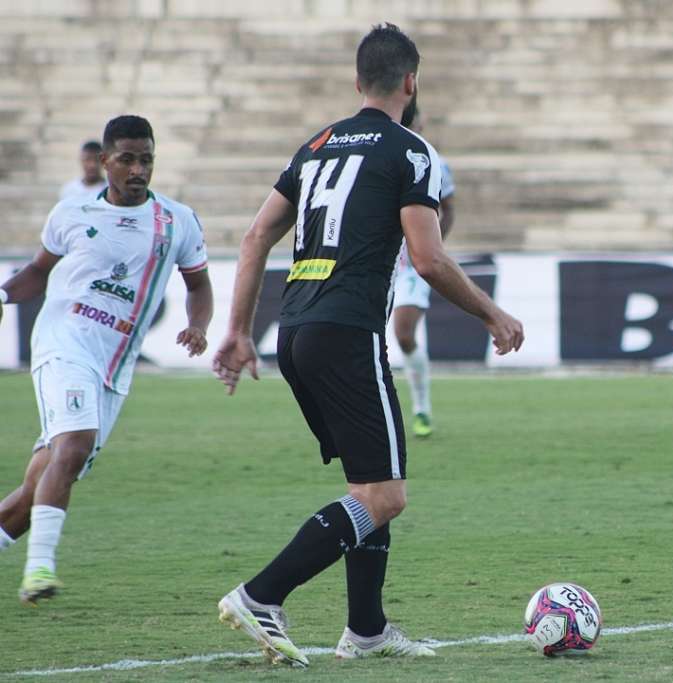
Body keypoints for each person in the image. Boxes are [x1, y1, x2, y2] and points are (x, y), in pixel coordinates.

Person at [212, 23, 524, 668]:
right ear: (411, 82)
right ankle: (261, 594)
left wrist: (240, 329)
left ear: (358, 82)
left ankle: (367, 630)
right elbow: (429, 258)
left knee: (369, 483)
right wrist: (492, 313)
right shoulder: (412, 151)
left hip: (295, 330)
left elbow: (253, 238)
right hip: (347, 331)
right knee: (385, 498)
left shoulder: (317, 144)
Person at [0, 115, 213, 605]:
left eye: (147, 159)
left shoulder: (176, 219)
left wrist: (198, 324)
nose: (138, 170)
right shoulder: (71, 213)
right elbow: (36, 273)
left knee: (46, 480)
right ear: (104, 162)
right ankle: (39, 570)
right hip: (63, 343)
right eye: (128, 159)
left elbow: (199, 285)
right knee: (74, 443)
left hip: (115, 366)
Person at [392, 106, 456, 438]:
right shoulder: (380, 154)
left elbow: (448, 210)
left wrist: (430, 245)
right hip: (377, 262)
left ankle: (421, 407)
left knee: (403, 333)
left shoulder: (432, 161)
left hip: (411, 264)